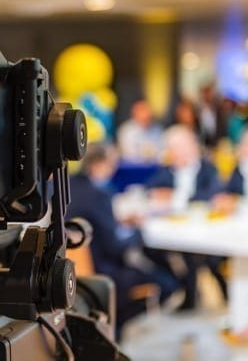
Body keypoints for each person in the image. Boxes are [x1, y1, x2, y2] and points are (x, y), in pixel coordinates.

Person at [65, 143, 179, 336]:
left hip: (73, 272)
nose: (113, 170)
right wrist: (138, 232)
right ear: (99, 164)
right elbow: (115, 247)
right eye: (111, 165)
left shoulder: (68, 186)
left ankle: (111, 325)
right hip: (103, 272)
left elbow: (95, 225)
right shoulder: (99, 195)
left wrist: (119, 223)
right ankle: (116, 325)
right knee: (168, 284)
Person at [145, 124, 226, 309]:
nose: (175, 153)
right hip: (175, 230)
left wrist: (175, 198)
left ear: (192, 147)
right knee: (149, 248)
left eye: (179, 148)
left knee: (198, 256)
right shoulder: (167, 171)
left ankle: (202, 294)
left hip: (205, 231)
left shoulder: (208, 169)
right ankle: (182, 287)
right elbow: (151, 190)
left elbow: (212, 195)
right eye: (172, 149)